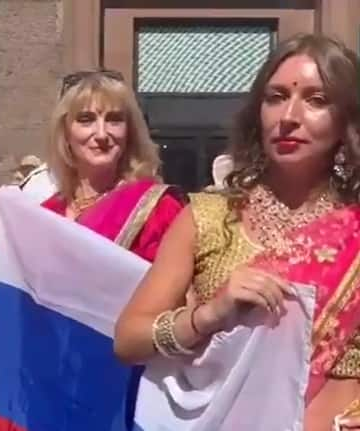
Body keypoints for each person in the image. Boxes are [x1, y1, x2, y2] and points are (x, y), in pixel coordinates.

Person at [114, 34, 360, 430]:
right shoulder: (208, 218)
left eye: (316, 100)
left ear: (346, 120)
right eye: (276, 96)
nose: (289, 116)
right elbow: (128, 339)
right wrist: (209, 316)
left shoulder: (356, 229)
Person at [42, 70, 185, 262]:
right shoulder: (46, 214)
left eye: (114, 120)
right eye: (86, 120)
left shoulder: (157, 208)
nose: (102, 134)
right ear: (65, 133)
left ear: (130, 132)